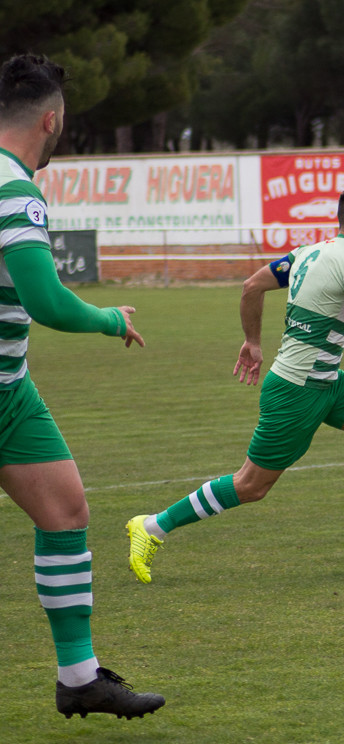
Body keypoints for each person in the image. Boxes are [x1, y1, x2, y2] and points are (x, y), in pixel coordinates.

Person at [126, 186, 344, 584]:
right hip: (297, 390)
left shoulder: (308, 252)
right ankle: (153, 527)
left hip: (327, 380)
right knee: (251, 486)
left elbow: (251, 286)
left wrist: (252, 341)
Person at [0, 53, 164, 719]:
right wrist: (108, 318)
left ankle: (79, 678)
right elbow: (47, 300)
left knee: (65, 510)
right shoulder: (14, 189)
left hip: (10, 389)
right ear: (52, 118)